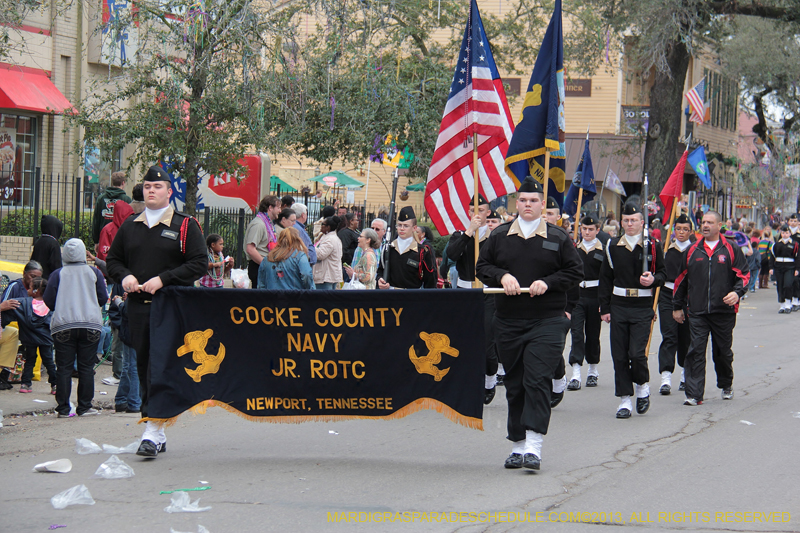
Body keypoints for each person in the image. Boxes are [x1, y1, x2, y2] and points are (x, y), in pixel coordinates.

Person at [476, 177, 582, 471]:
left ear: (541, 204)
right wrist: (502, 276)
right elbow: (482, 266)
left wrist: (547, 283)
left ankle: (534, 446)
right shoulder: (499, 236)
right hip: (509, 320)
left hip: (547, 319)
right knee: (516, 384)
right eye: (522, 200)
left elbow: (575, 271)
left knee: (536, 380)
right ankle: (517, 445)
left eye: (533, 201)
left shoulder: (558, 237)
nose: (527, 205)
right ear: (516, 203)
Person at [106, 165, 207, 457]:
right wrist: (124, 276)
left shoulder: (184, 225)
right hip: (138, 308)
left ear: (169, 192)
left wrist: (164, 279)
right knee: (145, 365)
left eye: (158, 187)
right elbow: (113, 261)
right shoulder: (130, 225)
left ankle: (153, 429)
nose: (152, 191)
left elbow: (198, 263)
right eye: (148, 186)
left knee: (161, 367)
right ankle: (156, 429)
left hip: (171, 308)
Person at [673, 211, 749, 405]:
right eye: (703, 222)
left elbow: (744, 274)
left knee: (722, 352)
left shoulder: (730, 248)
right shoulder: (692, 250)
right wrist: (677, 307)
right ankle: (694, 395)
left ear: (719, 225)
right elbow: (681, 280)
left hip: (723, 311)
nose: (705, 225)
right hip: (697, 311)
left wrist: (737, 293)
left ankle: (726, 384)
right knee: (696, 350)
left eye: (710, 222)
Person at [598, 202, 665, 419]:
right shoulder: (613, 246)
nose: (629, 224)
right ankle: (625, 399)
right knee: (619, 354)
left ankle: (642, 386)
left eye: (633, 220)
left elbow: (664, 274)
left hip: (642, 306)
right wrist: (605, 308)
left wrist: (653, 279)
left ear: (642, 222)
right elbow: (606, 279)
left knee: (636, 353)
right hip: (619, 305)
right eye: (626, 220)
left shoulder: (653, 246)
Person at [444, 194, 499, 404]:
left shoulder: (495, 237)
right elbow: (452, 254)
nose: (476, 213)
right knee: (462, 341)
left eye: (481, 209)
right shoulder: (460, 234)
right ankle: (465, 381)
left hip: (487, 294)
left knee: (487, 343)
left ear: (488, 212)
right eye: (472, 209)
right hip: (464, 294)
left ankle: (489, 380)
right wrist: (469, 232)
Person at [43, 238, 108, 417]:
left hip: (63, 326)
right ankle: (85, 407)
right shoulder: (94, 272)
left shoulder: (58, 274)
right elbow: (102, 298)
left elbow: (48, 301)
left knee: (63, 367)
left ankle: (63, 408)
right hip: (90, 325)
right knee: (86, 367)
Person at [656, 214, 693, 395]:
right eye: (678, 228)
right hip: (667, 294)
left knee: (686, 337)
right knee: (669, 335)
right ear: (673, 230)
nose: (681, 232)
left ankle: (685, 375)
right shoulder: (665, 250)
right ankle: (665, 376)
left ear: (691, 232)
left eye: (685, 229)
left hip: (687, 297)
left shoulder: (694, 251)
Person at [567, 215, 604, 390]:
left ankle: (593, 370)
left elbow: (606, 279)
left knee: (592, 333)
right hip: (578, 295)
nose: (587, 232)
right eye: (584, 229)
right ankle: (575, 373)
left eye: (591, 229)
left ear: (597, 230)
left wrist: (604, 302)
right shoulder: (574, 249)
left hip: (595, 295)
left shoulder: (603, 251)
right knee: (576, 333)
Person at [1, 277, 56, 395]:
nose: (27, 290)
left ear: (36, 291)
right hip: (45, 340)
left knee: (30, 360)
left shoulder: (22, 303)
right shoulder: (51, 305)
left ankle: (25, 384)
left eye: (30, 288)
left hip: (29, 338)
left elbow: (8, 313)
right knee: (48, 361)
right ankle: (55, 384)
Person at [377, 206, 437, 290]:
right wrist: (380, 279)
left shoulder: (422, 251)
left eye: (406, 226)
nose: (402, 228)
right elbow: (381, 270)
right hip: (391, 296)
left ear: (414, 228)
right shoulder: (388, 248)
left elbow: (430, 279)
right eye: (399, 225)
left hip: (412, 297)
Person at [107, 288, 140, 413]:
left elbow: (129, 311)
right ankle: (123, 400)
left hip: (132, 332)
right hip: (134, 331)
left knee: (132, 367)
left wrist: (120, 303)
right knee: (130, 366)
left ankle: (132, 401)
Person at [244, 195, 280, 288]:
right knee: (260, 300)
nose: (280, 211)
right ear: (270, 208)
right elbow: (250, 249)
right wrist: (266, 265)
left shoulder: (268, 223)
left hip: (263, 266)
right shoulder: (259, 224)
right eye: (278, 208)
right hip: (258, 267)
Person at [92, 171, 131, 245]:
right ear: (123, 183)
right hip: (120, 239)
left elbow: (96, 221)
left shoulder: (101, 199)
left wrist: (96, 241)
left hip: (104, 238)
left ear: (112, 182)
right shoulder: (126, 200)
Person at [770, 225, 799, 314]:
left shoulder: (794, 244)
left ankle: (788, 303)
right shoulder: (776, 244)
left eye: (787, 233)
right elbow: (772, 257)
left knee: (788, 284)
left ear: (790, 234)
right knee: (780, 285)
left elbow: (798, 257)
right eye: (783, 233)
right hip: (779, 266)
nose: (785, 235)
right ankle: (782, 305)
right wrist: (771, 267)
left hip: (790, 266)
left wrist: (797, 269)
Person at [313, 216, 343, 290]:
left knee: (324, 299)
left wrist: (310, 247)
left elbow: (320, 255)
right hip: (330, 275)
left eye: (323, 224)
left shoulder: (329, 240)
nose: (321, 226)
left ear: (328, 227)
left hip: (326, 276)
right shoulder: (330, 237)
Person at [30, 215, 63, 279]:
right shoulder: (54, 244)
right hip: (48, 281)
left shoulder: (38, 241)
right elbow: (56, 266)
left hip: (37, 279)